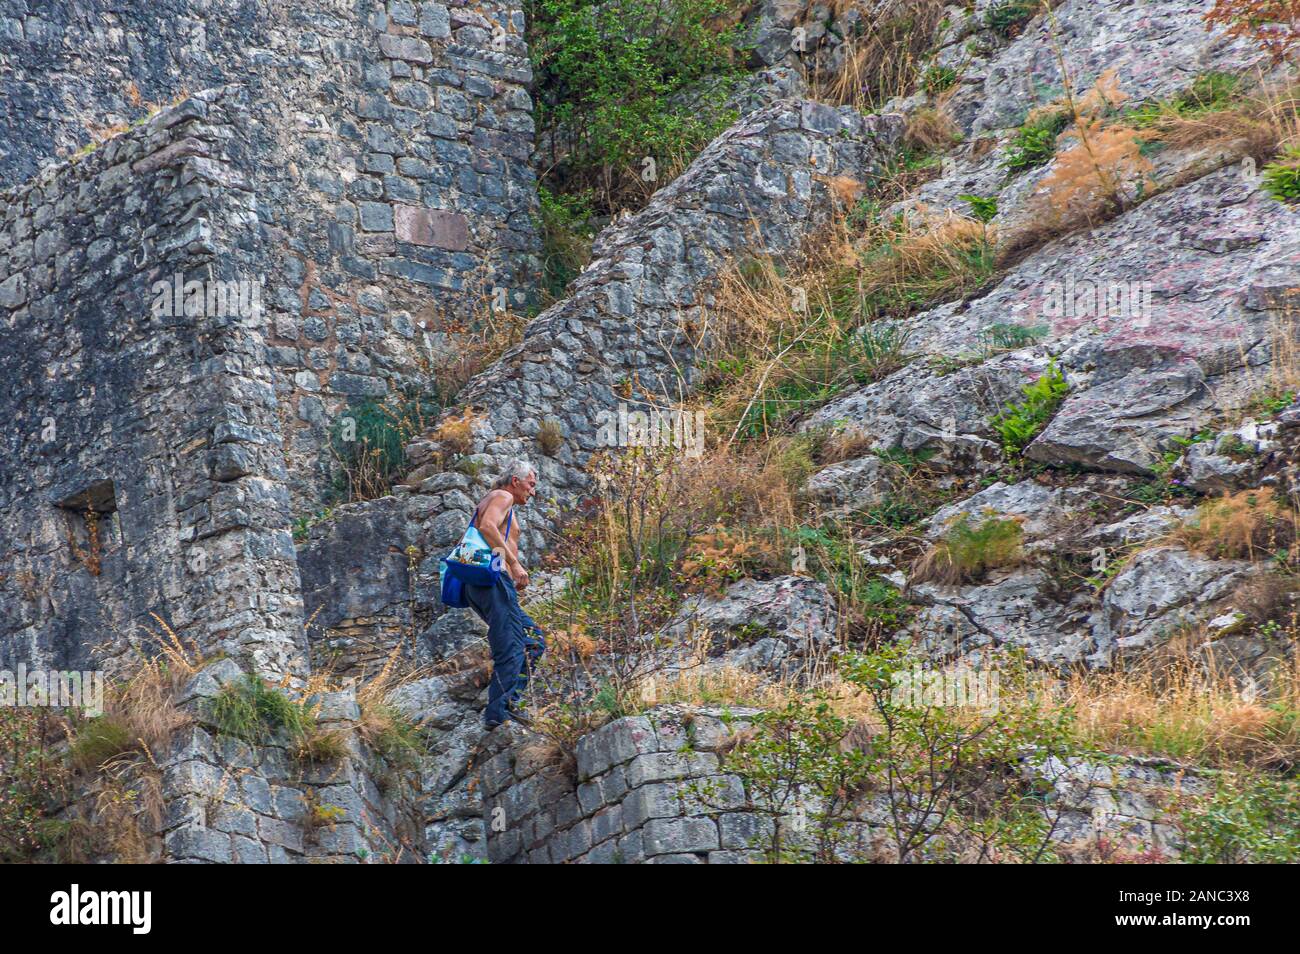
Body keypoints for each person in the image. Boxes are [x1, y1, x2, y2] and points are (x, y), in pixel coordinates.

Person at [463, 459, 546, 729]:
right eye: (531, 484)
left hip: (490, 582)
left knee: (533, 642)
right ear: (515, 481)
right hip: (492, 579)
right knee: (512, 644)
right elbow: (487, 527)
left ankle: (508, 705)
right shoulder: (502, 496)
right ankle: (499, 713)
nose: (532, 491)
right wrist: (514, 564)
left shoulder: (501, 499)